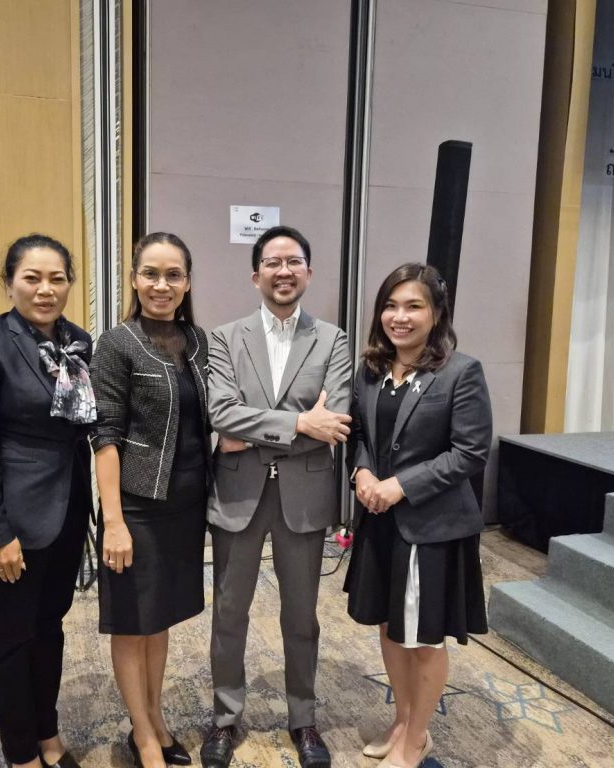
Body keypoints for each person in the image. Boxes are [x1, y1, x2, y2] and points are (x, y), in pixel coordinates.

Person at [202, 225, 352, 768]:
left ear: (309, 272)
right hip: (238, 493)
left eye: (293, 262)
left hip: (303, 496)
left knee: (302, 615)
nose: (283, 271)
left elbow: (335, 420)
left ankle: (303, 719)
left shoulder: (333, 340)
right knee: (229, 612)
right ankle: (225, 718)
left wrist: (254, 430)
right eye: (272, 262)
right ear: (255, 275)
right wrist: (300, 423)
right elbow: (221, 412)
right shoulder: (225, 337)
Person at [0, 234, 96, 768]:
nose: (45, 289)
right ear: (9, 282)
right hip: (13, 515)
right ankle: (20, 753)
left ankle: (48, 732)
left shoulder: (78, 340)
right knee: (12, 634)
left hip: (68, 508)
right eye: (32, 278)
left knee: (50, 624)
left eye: (57, 278)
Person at [343, 263, 492, 768]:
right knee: (389, 626)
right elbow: (360, 435)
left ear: (437, 313)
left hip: (430, 527)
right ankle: (404, 721)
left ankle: (417, 738)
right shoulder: (371, 372)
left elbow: (470, 453)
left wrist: (400, 486)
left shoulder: (460, 372)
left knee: (424, 638)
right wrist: (363, 473)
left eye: (413, 306)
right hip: (381, 519)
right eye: (390, 305)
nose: (399, 317)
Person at [89, 232, 209, 768]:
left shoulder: (198, 340)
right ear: (134, 280)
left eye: (173, 275)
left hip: (186, 505)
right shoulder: (116, 344)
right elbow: (105, 437)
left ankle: (157, 717)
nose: (162, 285)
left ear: (187, 282)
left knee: (159, 618)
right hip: (135, 506)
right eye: (151, 274)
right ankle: (141, 735)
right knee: (131, 621)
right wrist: (113, 521)